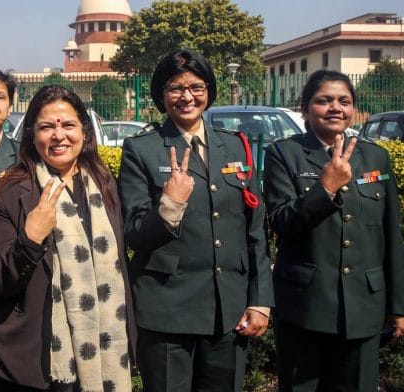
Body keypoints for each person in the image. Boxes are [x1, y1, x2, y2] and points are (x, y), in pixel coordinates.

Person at [117, 49, 273, 391]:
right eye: (175, 88)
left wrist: (259, 299)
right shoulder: (142, 149)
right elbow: (134, 234)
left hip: (227, 311)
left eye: (196, 87)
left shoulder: (236, 148)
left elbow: (255, 231)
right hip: (168, 311)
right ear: (161, 95)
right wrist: (170, 204)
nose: (187, 96)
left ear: (209, 91)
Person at [0, 85, 136, 391]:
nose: (58, 136)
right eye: (46, 127)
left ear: (85, 131)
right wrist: (29, 240)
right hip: (35, 360)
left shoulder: (103, 185)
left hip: (105, 350)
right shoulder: (11, 191)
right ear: (31, 134)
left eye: (68, 125)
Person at [263, 69, 404, 391]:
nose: (335, 108)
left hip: (363, 307)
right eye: (323, 101)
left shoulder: (376, 157)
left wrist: (398, 306)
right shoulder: (284, 154)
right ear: (305, 107)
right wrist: (325, 188)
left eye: (344, 101)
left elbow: (390, 235)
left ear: (354, 108)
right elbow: (283, 222)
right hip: (305, 306)